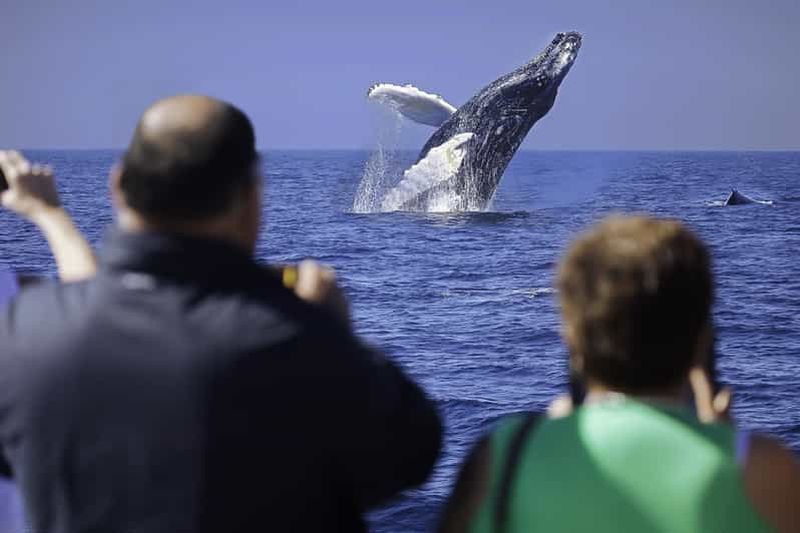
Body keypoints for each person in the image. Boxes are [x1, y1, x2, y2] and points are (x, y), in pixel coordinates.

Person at [0, 95, 442, 533]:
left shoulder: (23, 335)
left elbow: (90, 319)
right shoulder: (297, 342)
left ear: (117, 186)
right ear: (251, 199)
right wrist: (334, 333)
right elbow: (411, 454)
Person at [439, 215, 800, 533]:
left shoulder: (503, 459)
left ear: (570, 334)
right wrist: (722, 448)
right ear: (703, 339)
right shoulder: (763, 469)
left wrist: (551, 433)